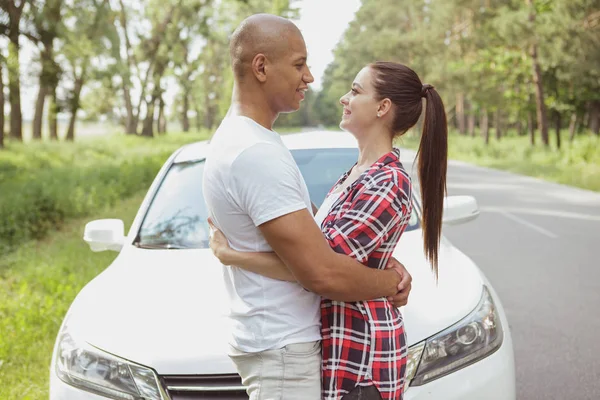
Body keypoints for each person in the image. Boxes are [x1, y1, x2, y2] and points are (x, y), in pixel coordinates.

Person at [202, 14, 413, 400]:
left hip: (300, 344)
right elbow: (322, 271)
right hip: (283, 346)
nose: (310, 77)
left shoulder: (256, 142)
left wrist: (232, 254)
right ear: (261, 67)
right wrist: (389, 281)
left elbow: (324, 246)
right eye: (299, 64)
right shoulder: (254, 151)